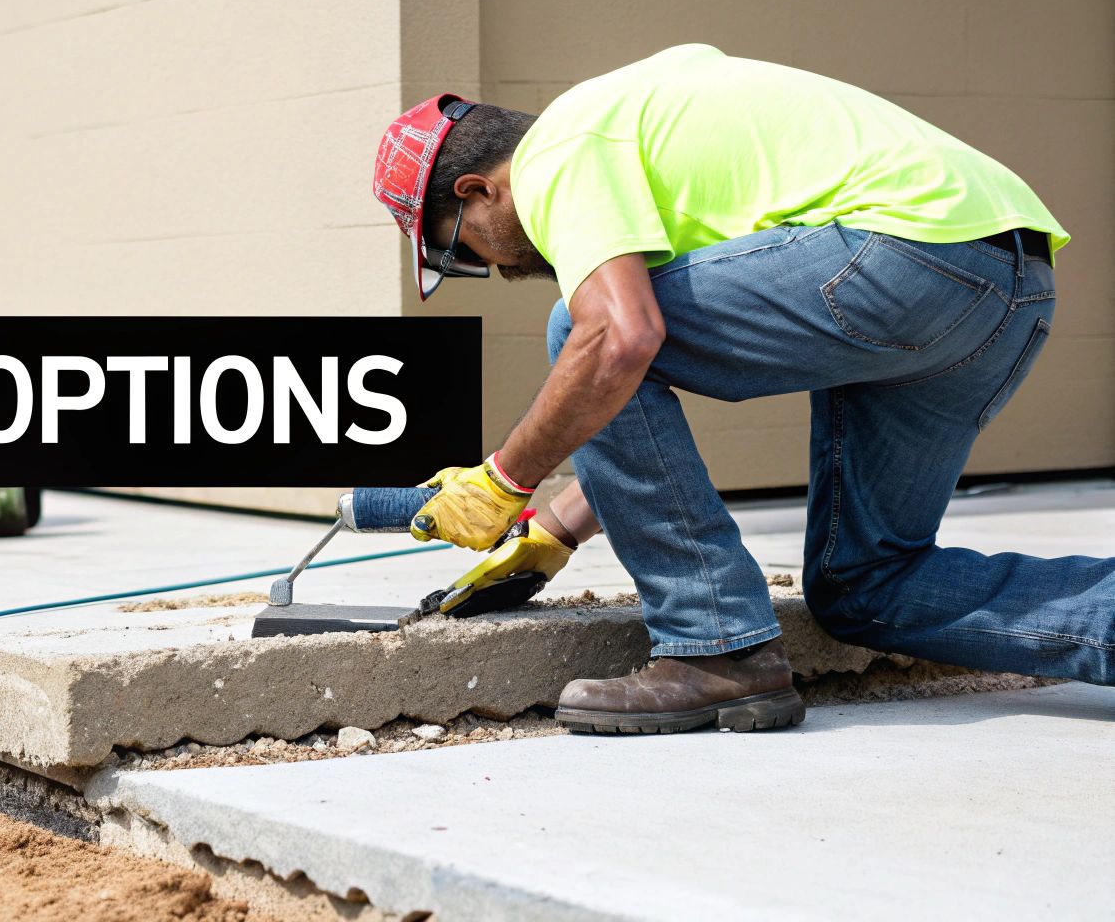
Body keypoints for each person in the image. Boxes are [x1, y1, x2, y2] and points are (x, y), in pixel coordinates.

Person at [372, 43, 1112, 735]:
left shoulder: (560, 149)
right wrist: (556, 528)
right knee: (866, 586)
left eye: (460, 248)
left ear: (479, 190)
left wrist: (501, 482)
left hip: (906, 252)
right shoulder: (646, 116)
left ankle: (714, 648)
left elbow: (617, 343)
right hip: (1008, 277)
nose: (496, 270)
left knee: (582, 329)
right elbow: (635, 391)